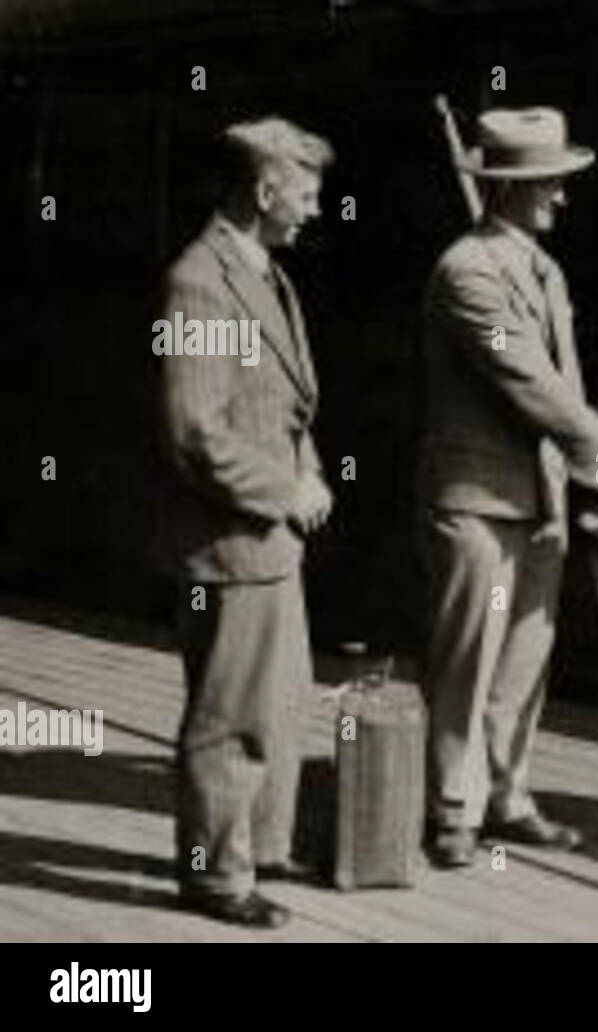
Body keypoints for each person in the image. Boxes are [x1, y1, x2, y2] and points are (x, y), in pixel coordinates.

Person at [419, 107, 598, 868]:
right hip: (480, 502)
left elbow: (564, 389)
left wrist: (588, 476)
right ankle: (451, 807)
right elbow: (529, 384)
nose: (562, 196)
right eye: (549, 183)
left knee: (526, 657)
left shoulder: (543, 270)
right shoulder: (466, 272)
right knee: (470, 658)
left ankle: (508, 796)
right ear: (509, 189)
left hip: (544, 498)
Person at [159, 117, 334, 926]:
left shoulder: (266, 273)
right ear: (265, 193)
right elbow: (197, 431)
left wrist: (309, 470)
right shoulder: (201, 280)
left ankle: (254, 850)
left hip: (271, 541)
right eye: (306, 192)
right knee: (227, 717)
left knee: (274, 706)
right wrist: (284, 490)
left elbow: (284, 407)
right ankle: (212, 876)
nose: (317, 208)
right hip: (232, 543)